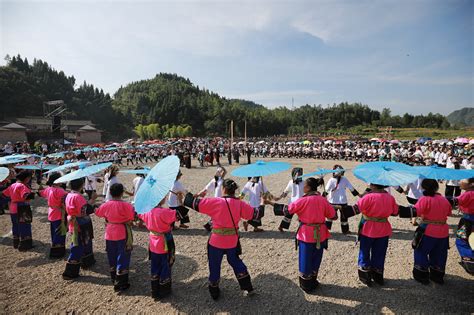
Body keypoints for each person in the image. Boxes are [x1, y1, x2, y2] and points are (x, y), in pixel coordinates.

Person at [184, 179, 261, 300]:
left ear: (223, 189)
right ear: (234, 191)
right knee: (236, 262)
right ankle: (247, 287)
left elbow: (192, 203)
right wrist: (262, 202)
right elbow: (254, 214)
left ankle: (214, 291)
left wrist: (185, 194)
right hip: (232, 241)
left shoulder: (215, 202)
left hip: (216, 241)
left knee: (214, 265)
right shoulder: (240, 203)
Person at [266, 177, 337, 292]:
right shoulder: (323, 200)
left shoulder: (302, 200)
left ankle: (306, 285)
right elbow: (334, 216)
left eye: (304, 185)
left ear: (308, 188)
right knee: (316, 258)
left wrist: (270, 203)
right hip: (321, 234)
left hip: (306, 235)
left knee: (305, 259)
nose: (302, 187)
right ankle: (313, 281)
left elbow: (286, 210)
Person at [355, 183, 398, 286]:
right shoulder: (390, 197)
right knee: (380, 253)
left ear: (373, 185)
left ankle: (365, 277)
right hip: (383, 229)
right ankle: (378, 276)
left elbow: (356, 208)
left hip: (368, 229)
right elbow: (395, 212)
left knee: (364, 251)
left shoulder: (368, 197)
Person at [95, 183, 135, 291]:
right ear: (122, 193)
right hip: (122, 231)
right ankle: (121, 281)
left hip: (110, 231)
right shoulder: (127, 205)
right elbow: (132, 217)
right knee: (123, 255)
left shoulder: (106, 204)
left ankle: (114, 277)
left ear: (110, 193)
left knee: (111, 254)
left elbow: (98, 213)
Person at [411, 179, 451, 284]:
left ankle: (422, 275)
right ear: (436, 187)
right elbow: (449, 213)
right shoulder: (444, 199)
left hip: (427, 230)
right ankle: (437, 276)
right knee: (440, 253)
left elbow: (416, 211)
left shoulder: (424, 199)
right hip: (443, 230)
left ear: (423, 188)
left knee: (421, 251)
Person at [138, 196, 177, 299]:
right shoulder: (164, 212)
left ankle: (154, 290)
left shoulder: (147, 211)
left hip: (153, 241)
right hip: (164, 242)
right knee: (165, 263)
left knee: (155, 264)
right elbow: (178, 215)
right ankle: (164, 289)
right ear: (161, 199)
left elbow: (139, 214)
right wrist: (180, 201)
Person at [62, 178, 97, 280]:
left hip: (74, 221)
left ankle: (87, 261)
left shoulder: (69, 195)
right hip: (81, 222)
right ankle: (70, 271)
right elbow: (85, 211)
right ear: (81, 185)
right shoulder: (78, 197)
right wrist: (92, 200)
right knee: (78, 244)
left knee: (83, 241)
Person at [1, 170, 35, 251]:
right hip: (22, 207)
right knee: (25, 225)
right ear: (26, 178)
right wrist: (33, 193)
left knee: (15, 225)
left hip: (13, 207)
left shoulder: (12, 185)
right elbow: (26, 196)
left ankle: (16, 243)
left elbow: (3, 194)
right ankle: (24, 245)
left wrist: (12, 198)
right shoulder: (22, 186)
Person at [38, 172, 68, 258]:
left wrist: (40, 187)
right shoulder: (60, 191)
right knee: (60, 232)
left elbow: (41, 193)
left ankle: (55, 247)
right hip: (59, 213)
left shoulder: (49, 189)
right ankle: (58, 251)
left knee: (54, 231)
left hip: (51, 212)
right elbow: (67, 199)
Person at [324, 165, 360, 234]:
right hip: (342, 201)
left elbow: (326, 191)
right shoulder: (344, 179)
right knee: (344, 216)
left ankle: (326, 230)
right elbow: (352, 189)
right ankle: (345, 230)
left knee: (329, 216)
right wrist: (359, 195)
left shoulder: (331, 180)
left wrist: (322, 198)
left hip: (332, 201)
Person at [197, 167, 227, 231]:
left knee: (218, 214)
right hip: (219, 200)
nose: (220, 173)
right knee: (219, 214)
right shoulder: (216, 180)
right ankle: (209, 225)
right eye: (219, 172)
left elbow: (206, 189)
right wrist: (198, 194)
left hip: (218, 199)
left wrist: (221, 167)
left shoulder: (218, 179)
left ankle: (209, 226)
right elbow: (205, 189)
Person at [454, 178, 474, 274]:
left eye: (463, 180)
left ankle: (470, 262)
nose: (460, 182)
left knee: (461, 240)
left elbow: (455, 201)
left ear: (471, 184)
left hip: (467, 221)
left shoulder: (468, 194)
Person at [276, 168, 304, 232]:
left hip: (299, 203)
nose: (299, 175)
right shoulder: (292, 182)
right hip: (294, 203)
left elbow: (285, 192)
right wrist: (279, 197)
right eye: (299, 174)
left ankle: (301, 228)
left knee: (301, 216)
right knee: (288, 216)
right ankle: (281, 226)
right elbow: (286, 191)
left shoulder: (303, 182)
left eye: (301, 174)